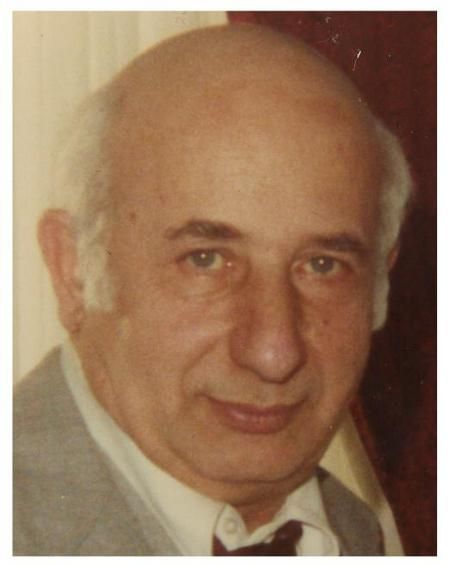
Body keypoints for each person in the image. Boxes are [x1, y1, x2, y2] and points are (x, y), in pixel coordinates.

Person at [13, 23, 413, 556]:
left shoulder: (354, 532)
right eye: (206, 260)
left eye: (322, 266)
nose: (274, 354)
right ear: (72, 270)